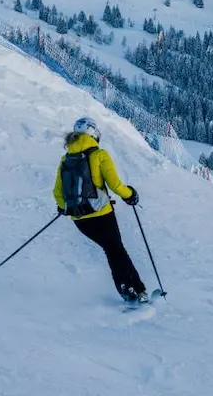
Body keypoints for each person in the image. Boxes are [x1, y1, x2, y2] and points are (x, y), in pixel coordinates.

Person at [53, 116, 148, 305]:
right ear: (93, 134)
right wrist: (130, 194)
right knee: (115, 249)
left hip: (79, 219)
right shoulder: (99, 154)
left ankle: (131, 288)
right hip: (102, 216)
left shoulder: (65, 159)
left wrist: (65, 207)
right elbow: (115, 185)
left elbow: (57, 192)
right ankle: (134, 289)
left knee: (112, 250)